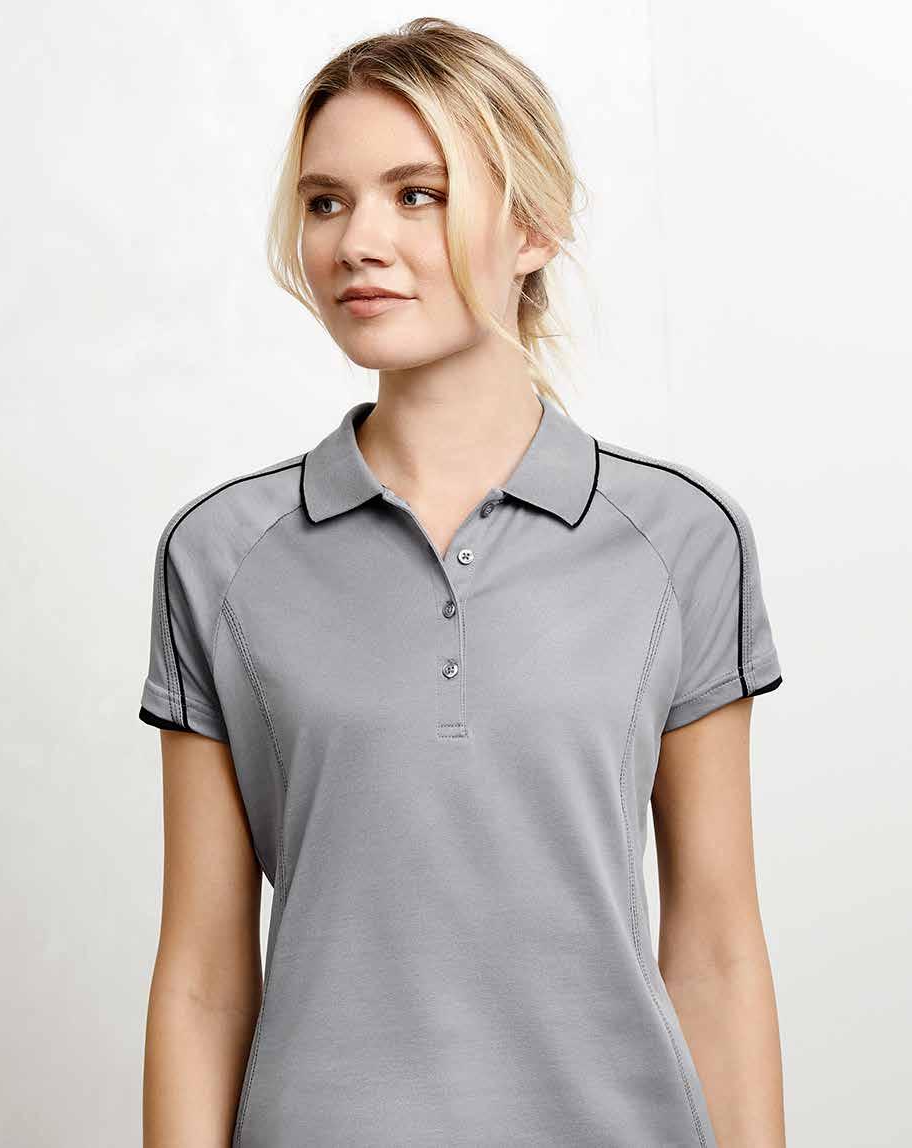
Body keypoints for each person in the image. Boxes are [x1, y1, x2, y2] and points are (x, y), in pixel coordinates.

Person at [138, 18, 786, 1148]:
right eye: (326, 201)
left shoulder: (681, 539)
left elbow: (717, 950)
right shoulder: (220, 554)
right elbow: (201, 975)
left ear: (532, 226)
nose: (357, 242)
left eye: (417, 195)